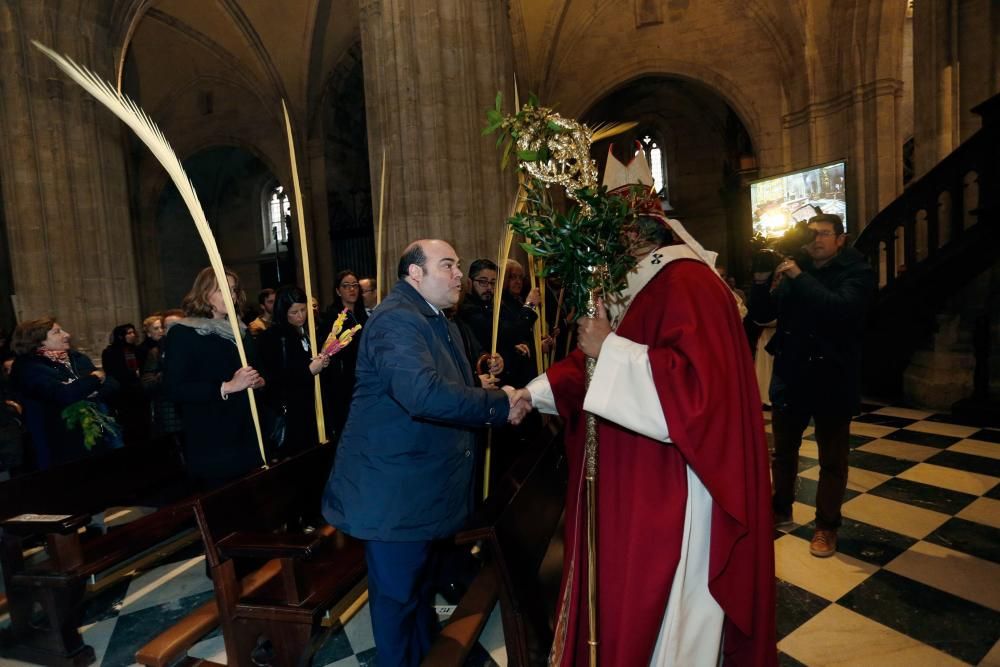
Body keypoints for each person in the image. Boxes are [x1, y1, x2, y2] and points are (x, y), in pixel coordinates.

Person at [513, 152, 776, 665]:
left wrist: (608, 348)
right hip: (637, 471)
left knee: (673, 611)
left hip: (679, 478)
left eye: (609, 237)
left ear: (635, 233)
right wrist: (532, 392)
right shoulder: (637, 283)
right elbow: (592, 362)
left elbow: (698, 390)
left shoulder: (688, 283)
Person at [321, 239, 526, 667]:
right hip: (394, 492)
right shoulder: (397, 321)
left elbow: (449, 387)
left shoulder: (439, 321)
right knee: (397, 602)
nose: (458, 275)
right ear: (415, 274)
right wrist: (498, 403)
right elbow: (423, 395)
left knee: (416, 595)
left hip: (422, 487)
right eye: (447, 265)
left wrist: (484, 393)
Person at [748, 212, 874, 558]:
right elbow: (763, 315)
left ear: (840, 238)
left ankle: (826, 526)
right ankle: (780, 509)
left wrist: (798, 276)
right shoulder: (794, 268)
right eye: (811, 234)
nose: (816, 240)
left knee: (832, 458)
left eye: (824, 233)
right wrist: (760, 280)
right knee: (783, 452)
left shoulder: (856, 271)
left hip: (833, 376)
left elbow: (840, 310)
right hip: (792, 374)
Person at [163, 267, 265, 490]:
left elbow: (258, 372)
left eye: (234, 290)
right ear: (204, 294)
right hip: (212, 437)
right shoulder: (184, 333)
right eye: (222, 290)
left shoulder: (240, 331)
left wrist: (258, 382)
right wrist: (226, 386)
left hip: (246, 433)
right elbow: (174, 389)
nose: (232, 296)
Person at [9, 317, 120, 469]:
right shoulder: (28, 366)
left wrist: (90, 391)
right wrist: (94, 378)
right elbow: (62, 394)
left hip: (96, 431)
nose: (66, 334)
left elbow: (112, 383)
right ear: (38, 340)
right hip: (59, 440)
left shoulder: (77, 358)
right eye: (57, 332)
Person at [257, 286, 330, 457]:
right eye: (294, 312)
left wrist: (322, 362)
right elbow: (275, 379)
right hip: (291, 413)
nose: (300, 316)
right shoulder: (271, 338)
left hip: (312, 408)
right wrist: (309, 370)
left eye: (303, 310)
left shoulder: (308, 331)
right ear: (283, 312)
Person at [321, 270, 369, 435]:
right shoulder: (333, 317)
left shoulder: (363, 314)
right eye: (346, 286)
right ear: (337, 291)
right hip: (344, 380)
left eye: (355, 285)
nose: (352, 289)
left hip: (365, 376)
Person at [102, 323, 149, 444]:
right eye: (129, 333)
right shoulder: (110, 352)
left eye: (133, 332)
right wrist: (133, 375)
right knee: (127, 425)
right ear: (120, 336)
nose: (132, 335)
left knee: (143, 424)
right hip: (123, 394)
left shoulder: (138, 350)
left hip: (139, 393)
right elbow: (112, 373)